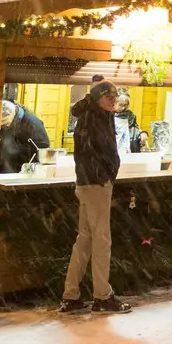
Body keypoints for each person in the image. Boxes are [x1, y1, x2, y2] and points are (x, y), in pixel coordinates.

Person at [60, 80, 130, 314]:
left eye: (114, 97)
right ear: (98, 98)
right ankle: (102, 296)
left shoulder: (95, 115)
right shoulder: (93, 118)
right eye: (108, 97)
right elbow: (92, 153)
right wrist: (107, 174)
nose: (112, 101)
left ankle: (71, 295)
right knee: (102, 239)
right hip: (96, 184)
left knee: (86, 239)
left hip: (89, 183)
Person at [0, 99, 50, 174]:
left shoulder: (32, 125)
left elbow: (42, 149)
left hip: (23, 171)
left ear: (12, 114)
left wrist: (29, 169)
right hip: (6, 169)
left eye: (5, 122)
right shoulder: (7, 123)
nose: (2, 125)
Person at [112, 89, 141, 153]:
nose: (123, 108)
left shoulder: (130, 116)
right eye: (120, 105)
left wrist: (142, 133)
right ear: (114, 102)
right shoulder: (108, 115)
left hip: (127, 148)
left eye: (125, 105)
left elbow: (135, 129)